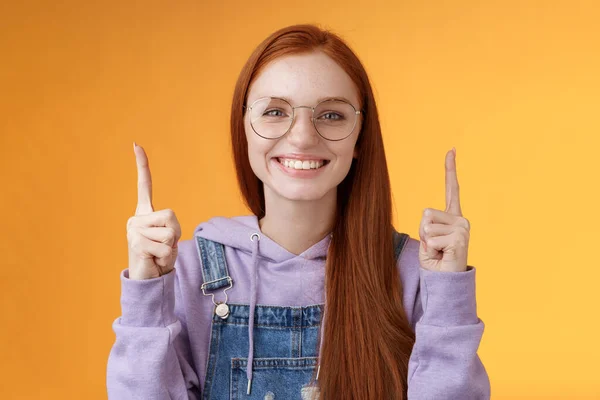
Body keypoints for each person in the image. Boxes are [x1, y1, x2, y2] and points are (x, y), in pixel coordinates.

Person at [106, 24, 491, 400]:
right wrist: (145, 299)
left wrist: (448, 298)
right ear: (243, 128)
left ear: (360, 136)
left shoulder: (414, 272)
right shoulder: (188, 272)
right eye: (275, 111)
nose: (303, 136)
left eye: (331, 115)